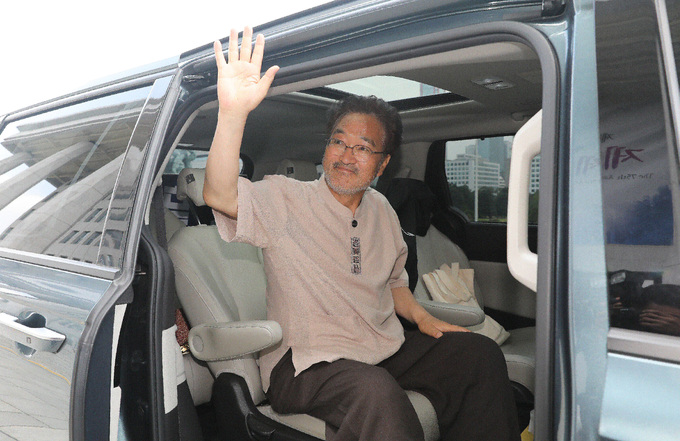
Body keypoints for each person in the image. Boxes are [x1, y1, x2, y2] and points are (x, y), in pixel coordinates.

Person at [203, 27, 520, 441]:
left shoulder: (382, 209)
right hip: (306, 365)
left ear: (383, 164)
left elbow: (394, 284)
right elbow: (219, 194)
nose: (346, 156)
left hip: (381, 350)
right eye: (338, 142)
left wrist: (423, 318)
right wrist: (232, 114)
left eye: (363, 148)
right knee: (375, 391)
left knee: (479, 354)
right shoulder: (285, 198)